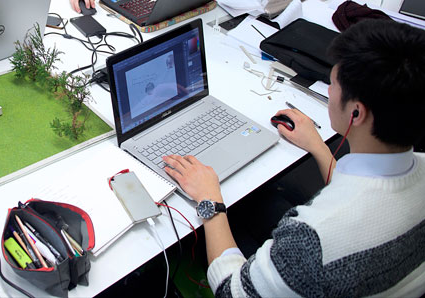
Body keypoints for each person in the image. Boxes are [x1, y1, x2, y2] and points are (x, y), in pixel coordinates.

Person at [163, 19, 425, 297]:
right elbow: (368, 196)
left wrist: (209, 201)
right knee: (262, 202)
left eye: (333, 84)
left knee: (241, 211)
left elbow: (232, 292)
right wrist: (318, 146)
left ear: (356, 114)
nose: (329, 91)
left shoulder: (313, 240)